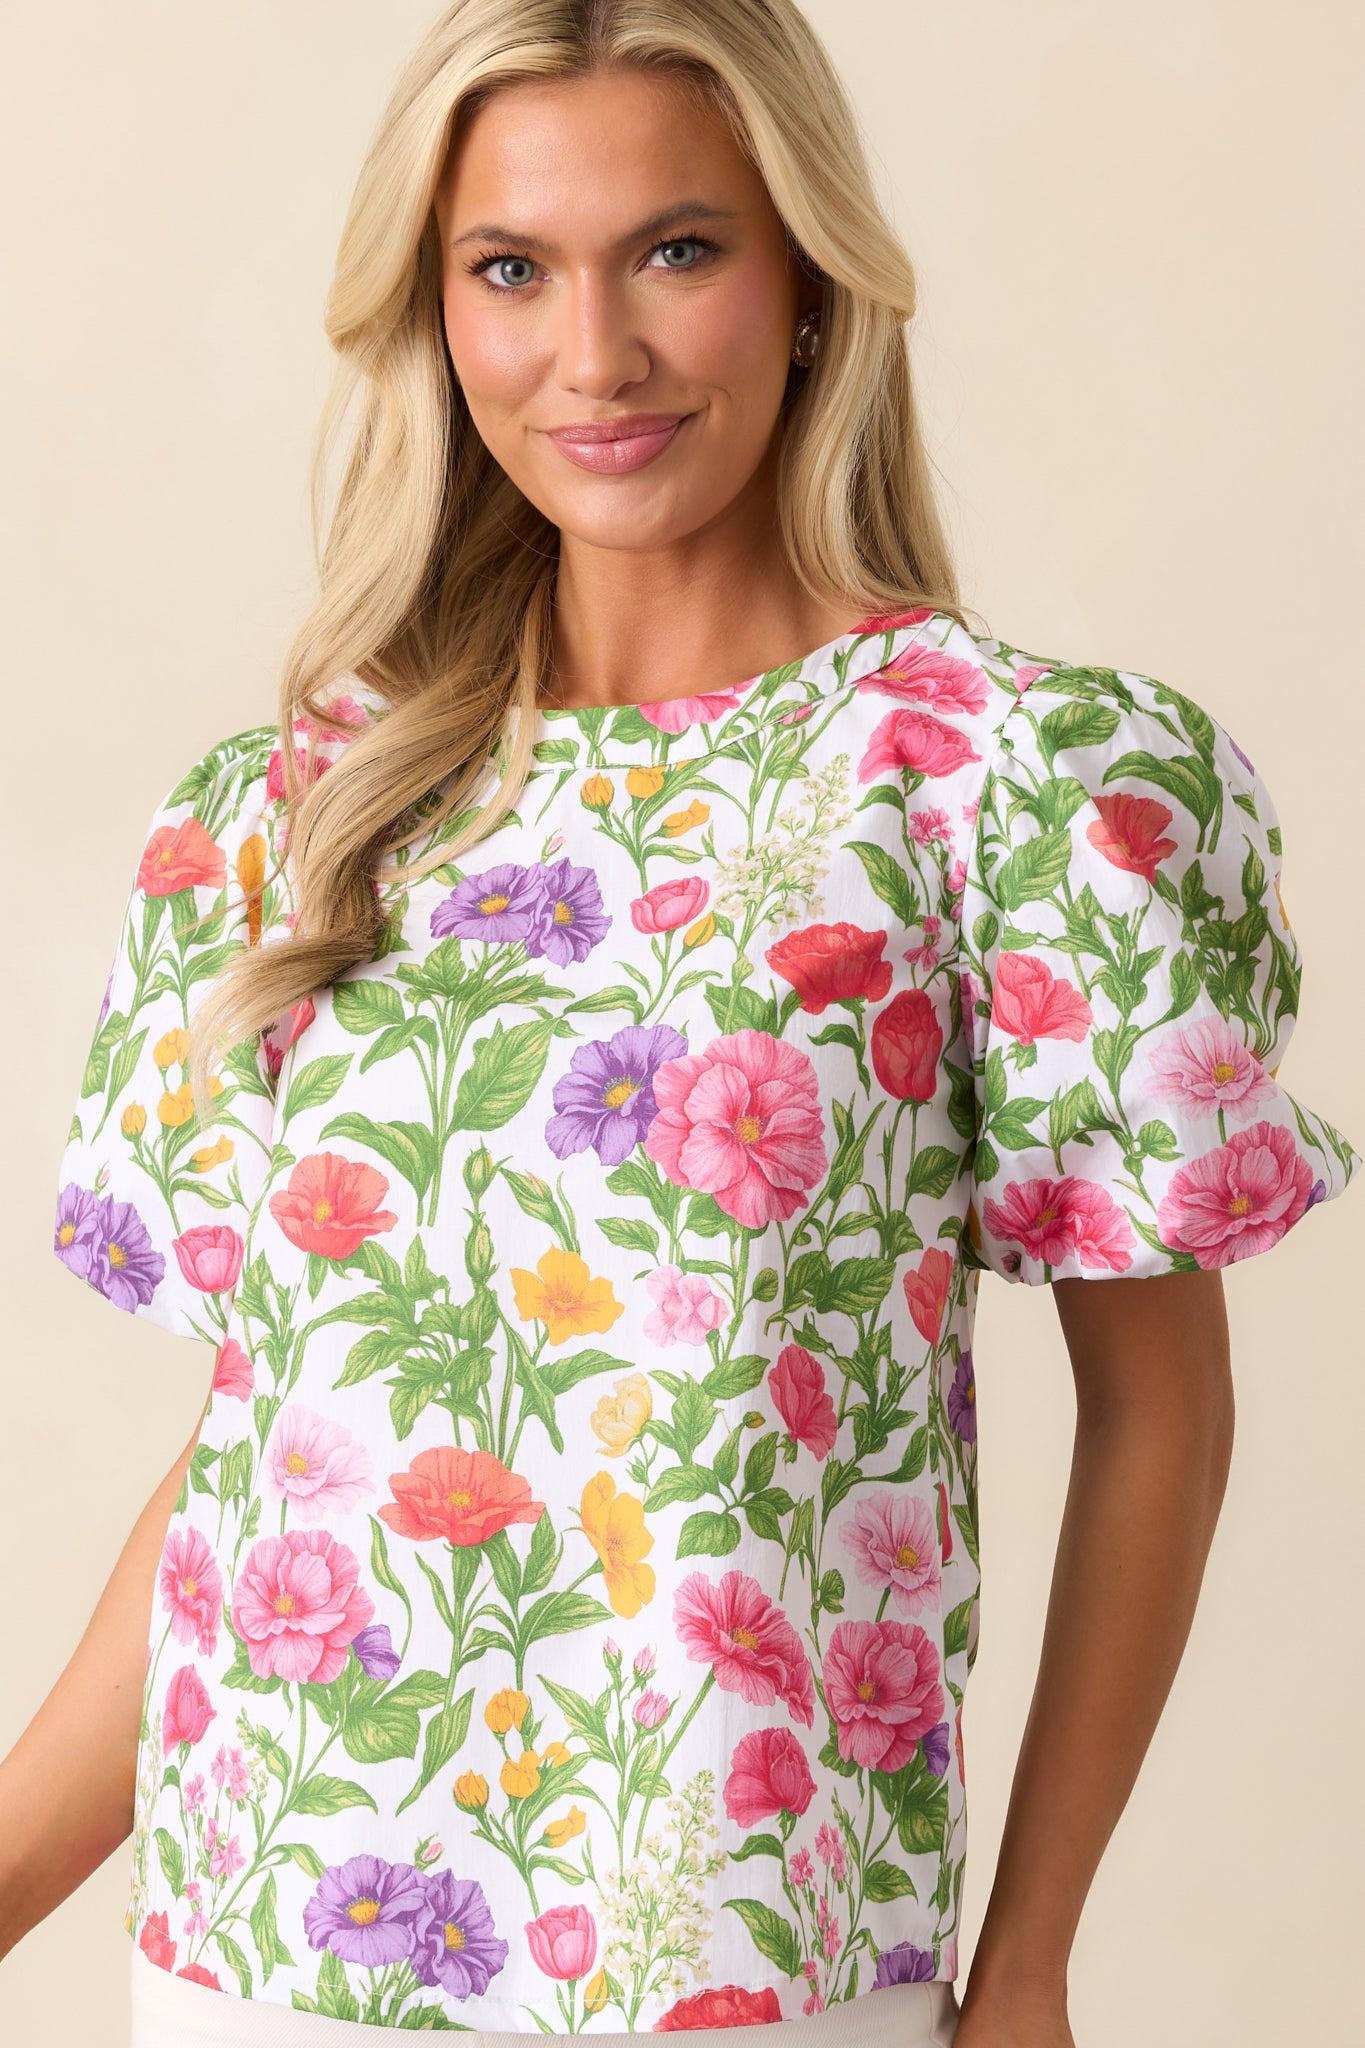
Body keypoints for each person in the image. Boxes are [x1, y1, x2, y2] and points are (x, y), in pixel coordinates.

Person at [5, 2, 1359, 2043]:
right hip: (252, 1962)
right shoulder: (299, 806)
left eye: (674, 249)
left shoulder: (996, 782)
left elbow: (1157, 1408)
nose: (594, 355)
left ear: (807, 276)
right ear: (434, 311)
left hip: (744, 1969)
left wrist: (1027, 1959)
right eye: (508, 268)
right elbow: (269, 1463)